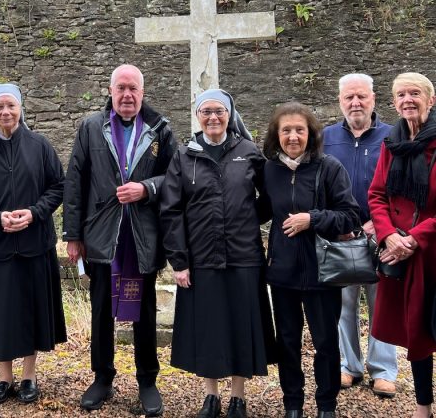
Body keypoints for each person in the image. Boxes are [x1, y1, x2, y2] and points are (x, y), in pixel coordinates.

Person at [63, 64, 176, 417]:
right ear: (111, 91)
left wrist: (147, 188)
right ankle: (102, 377)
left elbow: (174, 179)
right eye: (121, 88)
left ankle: (147, 380)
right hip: (102, 233)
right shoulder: (91, 128)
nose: (127, 95)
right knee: (101, 311)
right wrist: (72, 235)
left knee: (144, 312)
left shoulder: (160, 130)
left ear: (143, 93)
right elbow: (75, 181)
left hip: (142, 235)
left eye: (134, 89)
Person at [160, 89, 274, 418]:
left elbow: (269, 195)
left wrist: (248, 217)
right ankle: (210, 395)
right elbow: (171, 210)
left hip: (243, 256)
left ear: (230, 114)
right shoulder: (184, 156)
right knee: (209, 328)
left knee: (242, 326)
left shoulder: (249, 152)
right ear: (197, 116)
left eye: (220, 111)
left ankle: (238, 396)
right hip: (201, 257)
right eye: (206, 111)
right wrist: (179, 261)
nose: (213, 117)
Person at [0, 83, 66, 405]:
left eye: (11, 106)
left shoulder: (40, 145)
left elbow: (58, 186)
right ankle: (4, 378)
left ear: (21, 108)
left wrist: (33, 213)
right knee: (0, 314)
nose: (5, 112)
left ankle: (29, 376)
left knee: (32, 310)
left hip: (34, 243)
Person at [263, 102, 360, 418]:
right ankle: (292, 404)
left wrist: (312, 218)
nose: (293, 136)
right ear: (277, 135)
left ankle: (326, 405)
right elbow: (258, 209)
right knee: (288, 343)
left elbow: (350, 215)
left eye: (299, 130)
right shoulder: (269, 169)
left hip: (322, 271)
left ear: (311, 134)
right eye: (286, 130)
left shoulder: (329, 167)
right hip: (283, 273)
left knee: (325, 342)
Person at [323, 74, 398, 397]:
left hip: (381, 235)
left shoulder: (393, 136)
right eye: (349, 97)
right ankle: (348, 366)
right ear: (340, 100)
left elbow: (402, 185)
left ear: (373, 98)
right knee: (344, 304)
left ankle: (383, 370)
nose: (355, 103)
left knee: (382, 304)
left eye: (361, 97)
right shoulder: (325, 137)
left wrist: (380, 224)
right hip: (341, 236)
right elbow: (320, 184)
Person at [368, 72, 436, 418]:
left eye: (415, 94)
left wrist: (415, 237)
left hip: (432, 254)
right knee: (418, 336)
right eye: (401, 95)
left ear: (431, 100)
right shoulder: (391, 144)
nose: (407, 100)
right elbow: (377, 194)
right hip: (403, 256)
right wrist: (389, 234)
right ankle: (423, 408)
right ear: (393, 102)